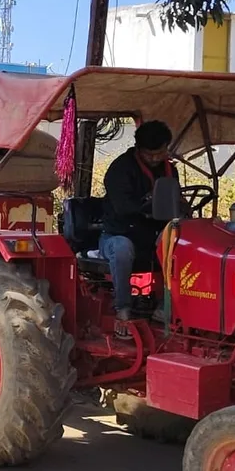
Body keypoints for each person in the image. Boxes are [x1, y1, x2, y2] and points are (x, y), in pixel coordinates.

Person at [101, 120, 177, 322]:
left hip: (153, 236)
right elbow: (123, 208)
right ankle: (123, 308)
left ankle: (168, 305)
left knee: (179, 242)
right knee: (122, 248)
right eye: (148, 154)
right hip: (119, 233)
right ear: (138, 148)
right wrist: (149, 206)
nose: (154, 159)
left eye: (159, 153)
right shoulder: (120, 169)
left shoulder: (170, 170)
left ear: (166, 148)